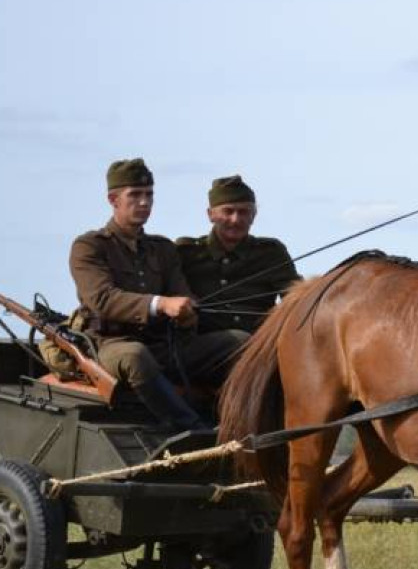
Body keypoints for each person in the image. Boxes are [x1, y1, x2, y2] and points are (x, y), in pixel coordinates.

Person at [69, 158, 248, 432]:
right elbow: (102, 299)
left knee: (239, 342)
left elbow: (181, 293)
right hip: (108, 344)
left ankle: (238, 423)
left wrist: (188, 313)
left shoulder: (162, 249)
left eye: (149, 195)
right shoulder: (89, 247)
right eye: (135, 195)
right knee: (135, 356)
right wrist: (160, 304)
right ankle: (191, 429)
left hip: (163, 345)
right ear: (113, 199)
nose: (144, 202)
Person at [176, 175, 299, 334]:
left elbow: (296, 298)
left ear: (253, 216)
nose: (235, 219)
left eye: (243, 212)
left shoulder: (271, 253)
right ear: (211, 215)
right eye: (228, 211)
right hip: (200, 347)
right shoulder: (187, 252)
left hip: (258, 345)